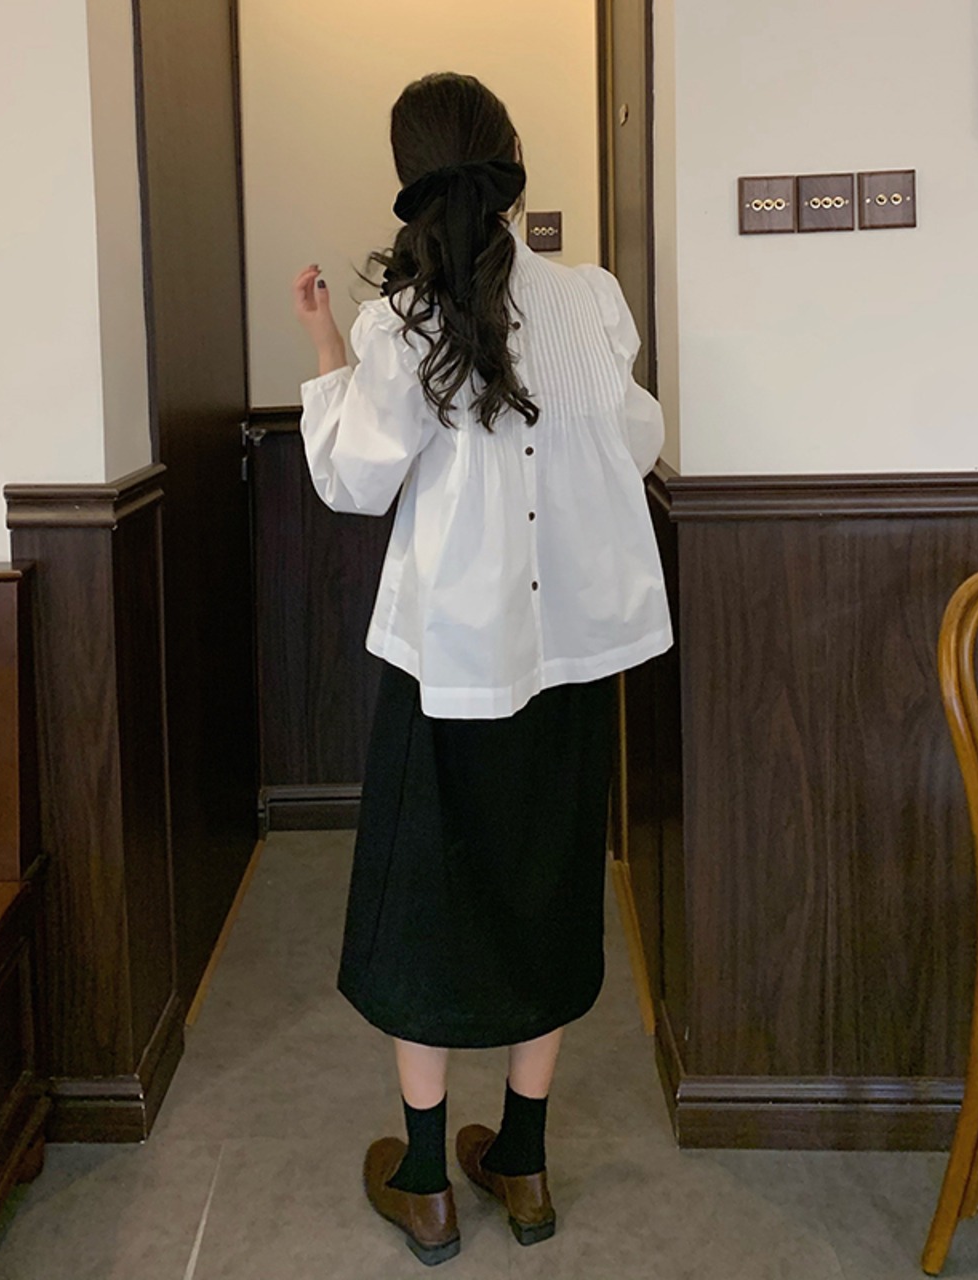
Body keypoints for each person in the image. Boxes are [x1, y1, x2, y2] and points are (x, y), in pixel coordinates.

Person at [291, 71, 671, 1267]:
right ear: (511, 165)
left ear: (408, 179)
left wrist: (323, 342)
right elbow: (637, 438)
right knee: (544, 893)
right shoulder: (591, 298)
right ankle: (523, 1158)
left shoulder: (400, 320)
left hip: (448, 664)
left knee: (426, 907)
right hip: (572, 658)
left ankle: (422, 1178)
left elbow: (352, 479)